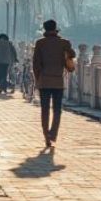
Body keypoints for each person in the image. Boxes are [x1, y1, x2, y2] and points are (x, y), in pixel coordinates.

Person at [32, 20, 75, 148]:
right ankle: (53, 133)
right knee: (57, 109)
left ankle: (46, 136)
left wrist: (37, 79)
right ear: (55, 28)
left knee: (44, 110)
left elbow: (36, 64)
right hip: (58, 81)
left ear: (45, 29)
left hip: (44, 81)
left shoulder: (40, 43)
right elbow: (72, 55)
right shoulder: (64, 43)